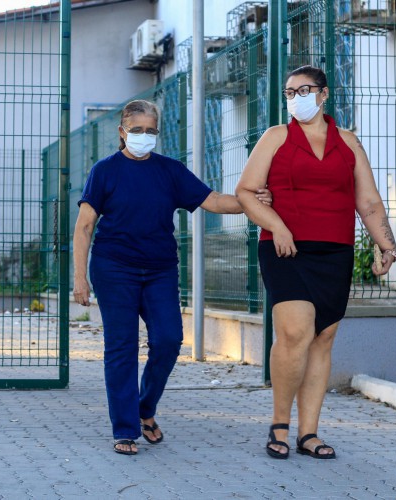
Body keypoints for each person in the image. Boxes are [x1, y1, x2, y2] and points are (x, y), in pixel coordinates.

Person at [73, 99, 273, 455]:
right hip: (114, 269)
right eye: (137, 131)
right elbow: (85, 225)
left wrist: (253, 201)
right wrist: (79, 278)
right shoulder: (104, 171)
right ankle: (125, 429)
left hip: (159, 269)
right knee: (121, 347)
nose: (144, 137)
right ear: (122, 132)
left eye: (151, 131)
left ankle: (144, 409)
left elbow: (212, 200)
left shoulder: (170, 171)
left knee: (168, 340)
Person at [236, 66, 396, 460]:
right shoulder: (275, 138)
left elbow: (369, 201)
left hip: (334, 251)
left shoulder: (348, 143)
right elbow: (245, 192)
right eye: (289, 92)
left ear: (323, 94)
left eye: (303, 90)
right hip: (284, 248)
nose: (295, 98)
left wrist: (386, 245)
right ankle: (279, 424)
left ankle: (309, 433)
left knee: (323, 337)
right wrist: (279, 227)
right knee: (294, 332)